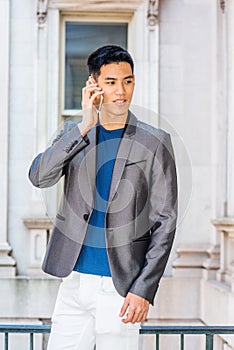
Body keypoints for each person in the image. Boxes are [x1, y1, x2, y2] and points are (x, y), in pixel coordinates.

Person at [29, 45, 178, 350]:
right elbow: (40, 177)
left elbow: (165, 221)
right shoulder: (74, 133)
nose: (121, 91)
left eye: (128, 80)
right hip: (72, 280)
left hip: (120, 287)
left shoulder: (155, 141)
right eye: (111, 82)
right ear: (94, 84)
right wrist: (85, 124)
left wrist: (144, 288)